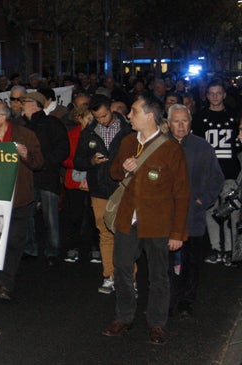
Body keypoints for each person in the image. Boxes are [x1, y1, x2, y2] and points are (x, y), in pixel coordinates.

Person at [102, 94, 190, 345]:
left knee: (159, 275)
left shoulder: (171, 149)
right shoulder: (128, 141)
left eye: (134, 111)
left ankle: (157, 324)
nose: (129, 115)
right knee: (121, 269)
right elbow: (113, 172)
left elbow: (182, 194)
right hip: (127, 220)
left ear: (149, 116)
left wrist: (177, 233)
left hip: (158, 223)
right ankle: (124, 317)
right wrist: (124, 168)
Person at [0, 102, 44, 298]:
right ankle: (1, 277)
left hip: (19, 199)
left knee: (14, 241)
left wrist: (25, 155)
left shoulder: (25, 135)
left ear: (2, 118)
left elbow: (39, 163)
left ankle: (6, 283)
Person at [166, 104, 223, 318]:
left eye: (185, 121)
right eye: (176, 121)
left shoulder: (202, 147)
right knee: (167, 262)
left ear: (190, 122)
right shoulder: (161, 145)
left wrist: (203, 200)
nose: (181, 126)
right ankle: (170, 299)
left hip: (193, 215)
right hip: (168, 216)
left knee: (192, 261)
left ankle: (187, 300)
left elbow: (216, 178)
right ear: (168, 122)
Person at [74, 94, 134, 293]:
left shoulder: (128, 130)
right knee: (105, 233)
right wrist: (91, 161)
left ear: (111, 109)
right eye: (98, 117)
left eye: (105, 115)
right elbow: (78, 161)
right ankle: (109, 275)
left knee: (125, 233)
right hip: (99, 189)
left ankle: (129, 278)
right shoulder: (89, 132)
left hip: (122, 188)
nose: (102, 120)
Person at [192, 81, 241, 264]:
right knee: (210, 211)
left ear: (224, 95)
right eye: (211, 93)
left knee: (231, 211)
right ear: (206, 95)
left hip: (230, 172)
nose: (214, 97)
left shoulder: (233, 117)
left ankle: (230, 250)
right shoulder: (199, 117)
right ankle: (215, 248)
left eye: (218, 93)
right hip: (208, 173)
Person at [20, 92, 69, 265]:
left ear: (35, 104)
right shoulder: (20, 125)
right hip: (27, 178)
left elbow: (64, 149)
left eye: (24, 101)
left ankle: (53, 250)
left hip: (47, 177)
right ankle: (29, 248)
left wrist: (44, 163)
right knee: (27, 216)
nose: (21, 104)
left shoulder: (52, 123)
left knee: (51, 217)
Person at [61, 105, 98, 264]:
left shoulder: (97, 134)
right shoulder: (71, 135)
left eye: (92, 119)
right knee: (74, 216)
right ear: (79, 118)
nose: (90, 122)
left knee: (94, 216)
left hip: (94, 181)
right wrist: (78, 163)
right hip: (74, 181)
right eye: (87, 119)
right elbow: (64, 157)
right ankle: (73, 247)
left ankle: (95, 248)